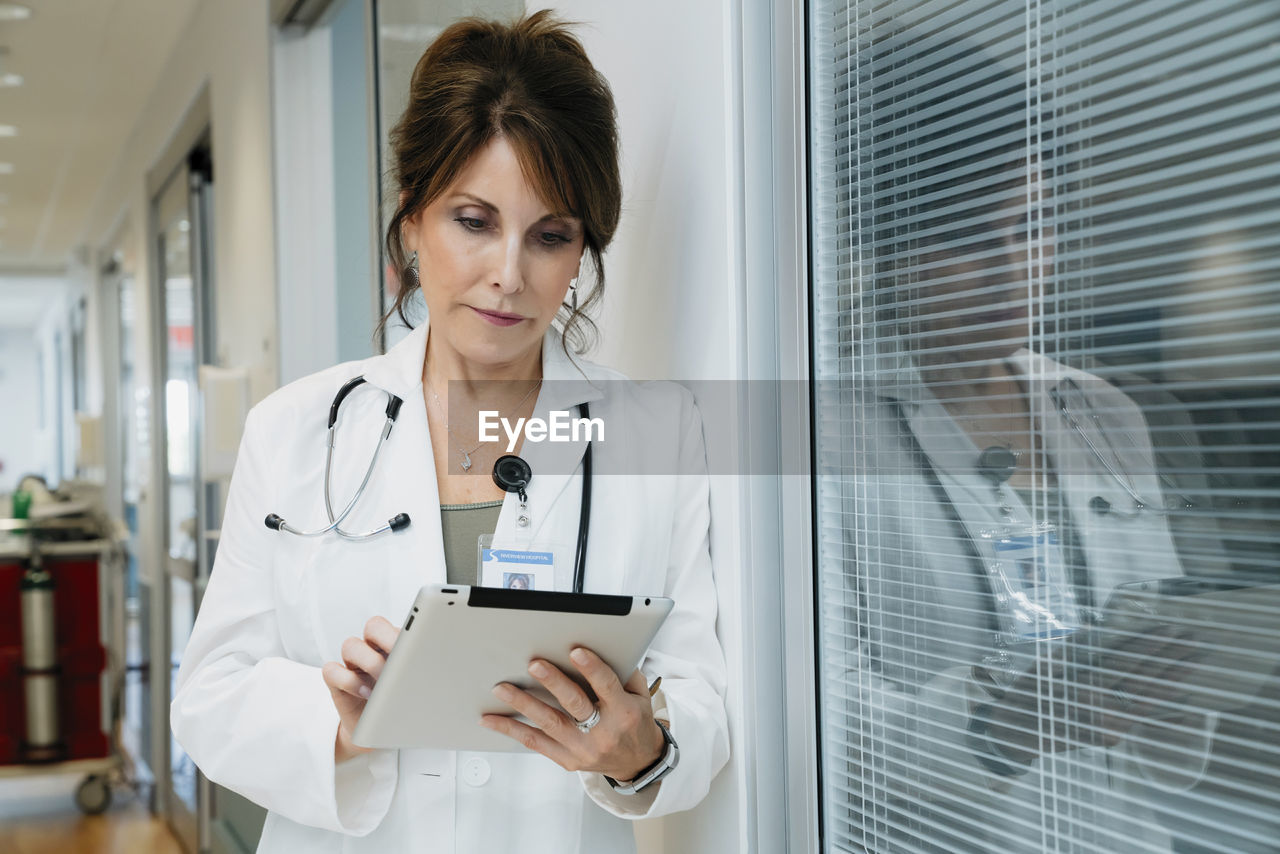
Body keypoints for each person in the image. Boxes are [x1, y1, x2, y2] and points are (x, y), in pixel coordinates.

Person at [171, 13, 728, 853]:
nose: (509, 273)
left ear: (582, 252)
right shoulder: (293, 432)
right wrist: (343, 722)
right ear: (413, 217)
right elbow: (210, 697)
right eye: (473, 221)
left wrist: (641, 749)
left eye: (551, 236)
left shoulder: (656, 433)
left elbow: (703, 696)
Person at [836, 166, 1222, 853]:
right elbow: (812, 716)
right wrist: (999, 729)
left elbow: (1161, 661)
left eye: (1032, 228)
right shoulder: (823, 433)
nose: (1012, 270)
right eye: (965, 237)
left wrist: (1177, 679)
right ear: (882, 248)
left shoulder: (1103, 411)